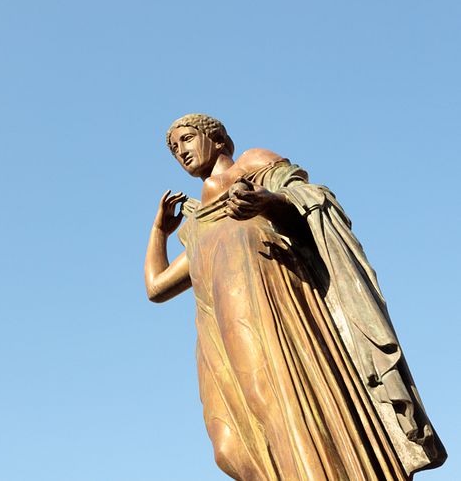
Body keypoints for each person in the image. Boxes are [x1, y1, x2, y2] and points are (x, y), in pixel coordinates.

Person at [144, 114, 446, 480]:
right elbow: (156, 287)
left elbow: (311, 201)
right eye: (174, 148)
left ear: (219, 138)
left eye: (187, 139)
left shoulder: (252, 164)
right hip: (220, 339)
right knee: (229, 450)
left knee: (278, 405)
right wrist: (159, 230)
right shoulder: (197, 225)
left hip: (274, 312)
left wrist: (266, 202)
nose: (181, 151)